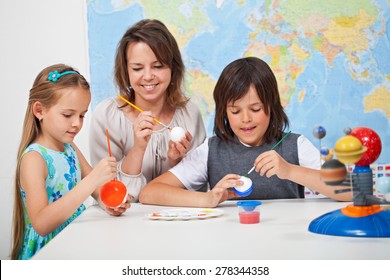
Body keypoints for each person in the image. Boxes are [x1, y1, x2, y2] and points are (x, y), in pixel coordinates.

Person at [139, 57, 352, 207]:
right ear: (224, 111)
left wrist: (290, 171)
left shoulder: (295, 145)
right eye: (234, 110)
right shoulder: (212, 150)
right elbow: (149, 193)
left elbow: (351, 190)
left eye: (256, 109)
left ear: (272, 106)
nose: (245, 119)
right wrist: (208, 199)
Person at [11, 64, 130, 260]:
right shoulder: (34, 159)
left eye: (82, 115)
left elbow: (98, 191)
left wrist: (111, 204)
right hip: (49, 251)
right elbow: (41, 224)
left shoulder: (69, 147)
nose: (77, 123)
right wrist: (92, 180)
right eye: (68, 115)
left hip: (75, 238)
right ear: (39, 110)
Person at [89, 19, 206, 202]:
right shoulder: (106, 116)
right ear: (125, 70)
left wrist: (177, 163)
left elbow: (198, 190)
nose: (148, 76)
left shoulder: (190, 114)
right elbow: (110, 196)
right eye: (137, 68)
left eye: (158, 66)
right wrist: (138, 148)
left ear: (173, 68)